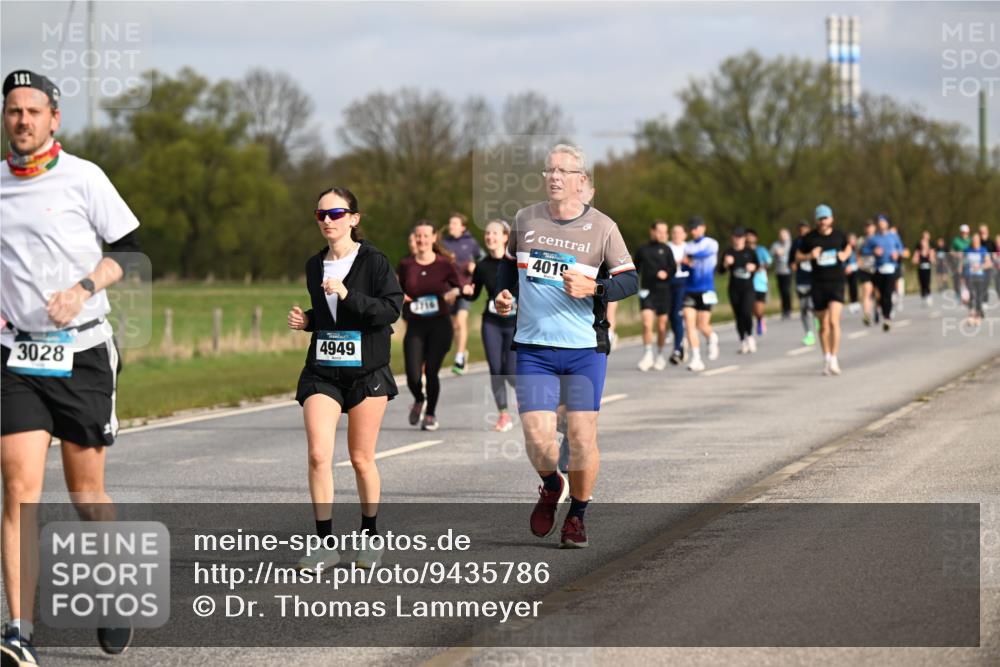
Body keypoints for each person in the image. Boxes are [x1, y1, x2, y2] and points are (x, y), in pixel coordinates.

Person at [1, 69, 142, 663]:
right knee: (18, 491)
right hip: (17, 358)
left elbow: (130, 253)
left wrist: (82, 288)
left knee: (86, 495)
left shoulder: (85, 177)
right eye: (13, 111)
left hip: (82, 352)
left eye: (33, 111)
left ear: (54, 119)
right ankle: (19, 632)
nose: (23, 120)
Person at [494, 143, 637, 549]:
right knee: (537, 437)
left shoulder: (603, 227)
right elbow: (508, 265)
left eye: (564, 171)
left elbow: (629, 280)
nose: (554, 176)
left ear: (581, 181)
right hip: (534, 347)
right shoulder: (525, 219)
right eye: (549, 170)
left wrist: (597, 287)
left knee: (580, 436)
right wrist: (505, 294)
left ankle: (577, 514)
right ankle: (550, 483)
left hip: (583, 349)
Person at [288, 187, 403, 572]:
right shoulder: (312, 265)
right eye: (320, 214)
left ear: (354, 218)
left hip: (367, 372)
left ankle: (370, 537)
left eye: (335, 213)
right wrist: (308, 320)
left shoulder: (374, 262)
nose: (327, 221)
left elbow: (390, 311)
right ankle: (324, 544)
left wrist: (348, 293)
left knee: (360, 458)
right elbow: (328, 316)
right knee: (319, 455)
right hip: (323, 371)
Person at [397, 221, 461, 431]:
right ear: (414, 239)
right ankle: (419, 398)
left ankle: (431, 414)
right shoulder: (406, 265)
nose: (422, 240)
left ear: (434, 238)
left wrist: (454, 292)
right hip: (415, 326)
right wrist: (401, 297)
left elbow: (460, 287)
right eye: (418, 236)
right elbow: (395, 290)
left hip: (439, 325)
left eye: (426, 236)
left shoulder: (444, 264)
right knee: (413, 375)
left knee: (431, 372)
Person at [463, 220, 518, 432]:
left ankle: (526, 397)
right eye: (487, 234)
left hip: (515, 323)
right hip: (491, 323)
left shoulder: (516, 263)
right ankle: (504, 414)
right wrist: (466, 292)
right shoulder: (482, 265)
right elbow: (474, 293)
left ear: (506, 237)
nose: (490, 237)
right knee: (496, 370)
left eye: (495, 233)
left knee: (510, 371)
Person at [797, 205, 851, 375]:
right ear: (816, 220)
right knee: (823, 325)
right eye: (820, 218)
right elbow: (797, 256)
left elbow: (848, 246)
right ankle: (826, 356)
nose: (823, 221)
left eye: (826, 218)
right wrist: (808, 256)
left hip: (836, 283)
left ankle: (834, 358)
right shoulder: (809, 238)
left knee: (834, 321)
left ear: (831, 219)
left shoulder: (839, 235)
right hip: (818, 284)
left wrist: (845, 255)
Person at [440, 213, 483, 376]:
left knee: (460, 320)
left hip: (466, 288)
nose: (451, 226)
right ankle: (462, 352)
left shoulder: (471, 243)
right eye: (450, 223)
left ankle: (459, 358)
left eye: (455, 223)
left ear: (463, 227)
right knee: (453, 326)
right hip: (450, 290)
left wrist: (474, 266)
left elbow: (483, 260)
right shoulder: (444, 243)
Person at [634, 220, 676, 371]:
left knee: (662, 325)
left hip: (663, 292)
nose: (662, 235)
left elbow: (673, 269)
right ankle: (647, 355)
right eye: (659, 231)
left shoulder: (667, 249)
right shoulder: (643, 250)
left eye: (665, 232)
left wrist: (667, 273)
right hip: (647, 291)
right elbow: (635, 270)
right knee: (646, 323)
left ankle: (660, 355)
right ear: (652, 231)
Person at [681, 216, 720, 372]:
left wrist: (688, 258)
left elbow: (704, 254)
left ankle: (712, 337)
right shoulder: (687, 246)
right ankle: (696, 358)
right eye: (691, 228)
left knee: (702, 325)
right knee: (689, 325)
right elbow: (684, 268)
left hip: (707, 289)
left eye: (696, 228)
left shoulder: (711, 243)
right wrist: (685, 265)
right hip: (690, 289)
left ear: (703, 227)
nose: (693, 231)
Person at [863, 214, 904, 331]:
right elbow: (865, 250)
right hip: (878, 269)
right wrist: (873, 251)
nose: (881, 224)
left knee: (888, 293)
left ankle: (887, 318)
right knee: (879, 294)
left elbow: (901, 248)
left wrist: (897, 253)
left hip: (891, 268)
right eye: (879, 222)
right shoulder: (873, 238)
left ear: (887, 223)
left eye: (883, 222)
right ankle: (881, 312)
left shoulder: (893, 236)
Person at [720, 228, 758, 354]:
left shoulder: (750, 252)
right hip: (734, 288)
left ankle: (750, 336)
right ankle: (742, 340)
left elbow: (758, 266)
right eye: (736, 237)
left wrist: (753, 267)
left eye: (740, 237)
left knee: (746, 312)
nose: (738, 240)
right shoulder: (729, 252)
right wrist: (726, 263)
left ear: (744, 239)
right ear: (733, 238)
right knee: (738, 315)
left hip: (748, 288)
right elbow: (720, 271)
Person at [790, 221, 817, 345]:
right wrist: (793, 265)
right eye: (800, 230)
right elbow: (791, 259)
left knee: (812, 305)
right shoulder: (796, 243)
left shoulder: (815, 240)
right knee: (803, 308)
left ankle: (819, 320)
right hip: (801, 279)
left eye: (805, 229)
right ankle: (809, 334)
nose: (802, 232)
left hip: (815, 279)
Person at [667, 224, 689, 364]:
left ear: (684, 234)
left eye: (679, 232)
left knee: (677, 314)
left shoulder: (689, 247)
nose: (676, 235)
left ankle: (677, 348)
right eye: (674, 232)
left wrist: (686, 262)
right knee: (670, 316)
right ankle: (680, 340)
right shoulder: (667, 247)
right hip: (670, 282)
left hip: (684, 281)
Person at [962, 233, 992, 325]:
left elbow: (989, 263)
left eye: (977, 239)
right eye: (974, 240)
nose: (975, 241)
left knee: (979, 296)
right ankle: (971, 315)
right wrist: (961, 276)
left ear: (979, 241)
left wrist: (980, 266)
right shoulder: (967, 250)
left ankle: (978, 316)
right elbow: (963, 263)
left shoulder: (983, 250)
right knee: (971, 295)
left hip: (980, 276)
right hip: (969, 276)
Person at [746, 228, 771, 336]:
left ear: (756, 238)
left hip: (760, 282)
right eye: (748, 235)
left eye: (752, 235)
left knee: (759, 308)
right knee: (749, 306)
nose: (750, 238)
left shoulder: (761, 250)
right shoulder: (744, 251)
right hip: (747, 283)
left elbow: (769, 261)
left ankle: (760, 319)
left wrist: (760, 267)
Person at [770, 228, 793, 319]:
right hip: (779, 271)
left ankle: (788, 309)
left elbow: (787, 252)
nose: (783, 237)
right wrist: (776, 252)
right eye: (781, 235)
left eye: (784, 235)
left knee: (786, 290)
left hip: (788, 271)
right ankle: (784, 309)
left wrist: (781, 252)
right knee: (781, 291)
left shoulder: (790, 244)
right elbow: (770, 254)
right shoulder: (775, 245)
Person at [857, 220, 877, 325]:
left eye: (871, 226)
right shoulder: (861, 240)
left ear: (874, 228)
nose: (869, 229)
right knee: (867, 292)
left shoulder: (879, 239)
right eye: (867, 226)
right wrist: (859, 264)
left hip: (877, 269)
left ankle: (877, 310)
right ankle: (867, 315)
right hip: (865, 269)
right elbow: (858, 254)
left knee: (878, 294)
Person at [912, 232, 936, 306]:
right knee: (921, 282)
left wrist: (931, 256)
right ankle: (923, 296)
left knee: (927, 282)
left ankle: (928, 295)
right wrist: (916, 259)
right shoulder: (918, 249)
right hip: (920, 268)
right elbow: (914, 259)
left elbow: (933, 260)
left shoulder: (931, 248)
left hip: (928, 268)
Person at [845, 232, 861, 314]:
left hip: (855, 269)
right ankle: (851, 302)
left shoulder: (857, 249)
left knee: (854, 286)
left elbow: (859, 259)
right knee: (849, 286)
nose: (852, 241)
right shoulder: (845, 248)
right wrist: (846, 267)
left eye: (853, 239)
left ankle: (855, 302)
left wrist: (856, 265)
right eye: (850, 239)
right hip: (846, 270)